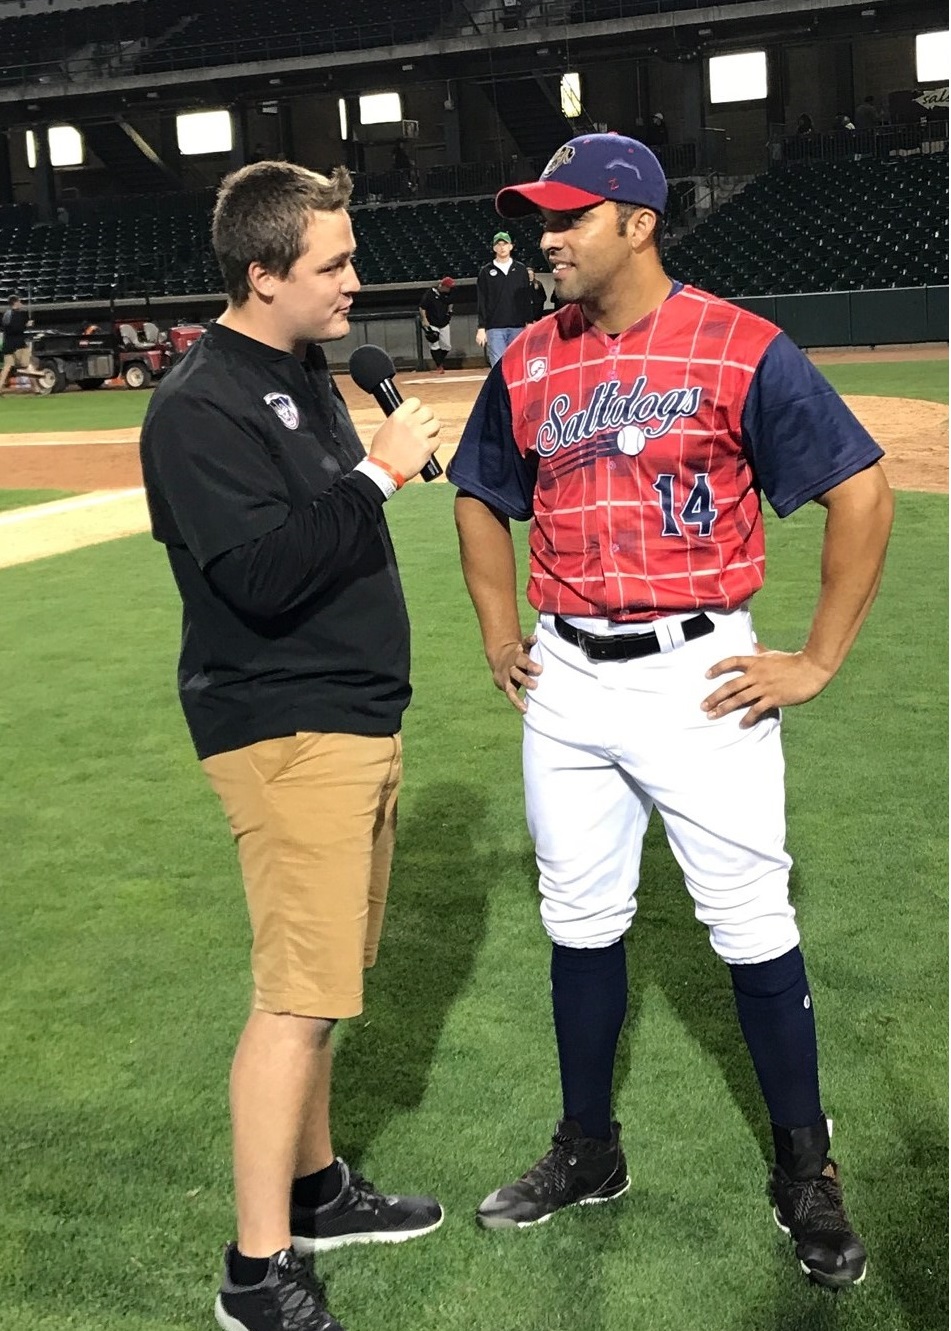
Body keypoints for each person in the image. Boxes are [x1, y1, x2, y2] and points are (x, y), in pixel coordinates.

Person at [447, 133, 893, 1290]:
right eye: (541, 220)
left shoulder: (740, 346)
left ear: (637, 223)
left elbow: (860, 488)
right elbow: (479, 494)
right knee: (578, 915)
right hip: (569, 675)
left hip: (701, 671)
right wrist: (501, 632)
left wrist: (819, 659)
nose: (547, 237)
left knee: (748, 919)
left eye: (569, 217)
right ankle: (589, 1148)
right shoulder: (531, 360)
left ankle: (807, 1171)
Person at [139, 159, 444, 1331]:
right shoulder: (201, 401)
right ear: (262, 274)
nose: (355, 282)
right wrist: (375, 473)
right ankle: (255, 1270)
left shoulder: (301, 370)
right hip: (284, 721)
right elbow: (259, 576)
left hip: (350, 713)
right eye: (335, 264)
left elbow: (316, 533)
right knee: (294, 998)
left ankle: (316, 1191)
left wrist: (361, 477)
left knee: (328, 985)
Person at [475, 230, 530, 367]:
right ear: (494, 248)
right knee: (498, 367)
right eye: (498, 245)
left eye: (505, 244)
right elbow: (482, 299)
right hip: (495, 328)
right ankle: (501, 390)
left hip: (518, 326)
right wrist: (481, 327)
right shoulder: (486, 271)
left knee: (518, 365)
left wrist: (529, 322)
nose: (502, 247)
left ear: (511, 246)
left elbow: (526, 297)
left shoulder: (520, 269)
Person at [0, 294, 42, 394]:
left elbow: (6, 328)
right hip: (19, 345)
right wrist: (27, 324)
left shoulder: (6, 315)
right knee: (27, 366)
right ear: (15, 303)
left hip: (8, 344)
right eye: (19, 301)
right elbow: (18, 329)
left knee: (7, 367)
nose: (21, 303)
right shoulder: (19, 315)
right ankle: (36, 388)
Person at [418, 275, 454, 373]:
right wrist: (424, 320)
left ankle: (440, 361)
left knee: (447, 346)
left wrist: (449, 313)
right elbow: (422, 307)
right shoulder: (430, 293)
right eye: (448, 287)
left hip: (444, 322)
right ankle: (439, 365)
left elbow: (451, 303)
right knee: (434, 341)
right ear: (443, 286)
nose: (450, 289)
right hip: (432, 321)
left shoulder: (449, 294)